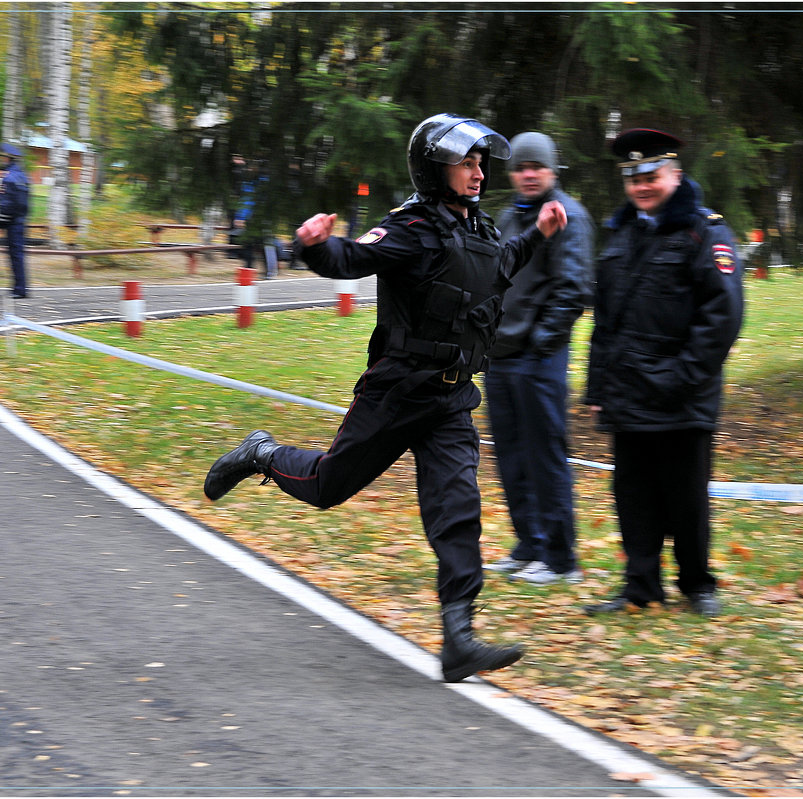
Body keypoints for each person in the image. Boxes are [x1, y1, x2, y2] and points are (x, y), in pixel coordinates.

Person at [202, 113, 568, 683]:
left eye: (479, 163)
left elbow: (504, 266)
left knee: (457, 511)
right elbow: (353, 258)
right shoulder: (412, 228)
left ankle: (458, 636)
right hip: (396, 395)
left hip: (450, 401)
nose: (476, 173)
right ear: (434, 169)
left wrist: (539, 234)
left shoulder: (484, 230)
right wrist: (315, 248)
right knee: (328, 486)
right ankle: (262, 454)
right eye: (464, 163)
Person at [581, 128, 744, 617]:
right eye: (633, 179)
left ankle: (697, 585)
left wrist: (681, 378)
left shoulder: (705, 232)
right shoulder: (622, 235)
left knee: (686, 497)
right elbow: (605, 321)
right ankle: (641, 587)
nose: (642, 187)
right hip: (628, 394)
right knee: (632, 496)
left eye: (651, 175)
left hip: (681, 396)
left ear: (674, 174)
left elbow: (723, 317)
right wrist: (597, 386)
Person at [482, 132, 593, 585]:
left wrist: (542, 341)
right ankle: (529, 545)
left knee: (545, 456)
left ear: (552, 170)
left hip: (538, 359)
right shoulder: (509, 217)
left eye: (538, 167)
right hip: (500, 358)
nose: (529, 175)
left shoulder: (571, 216)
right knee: (510, 455)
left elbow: (573, 288)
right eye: (521, 168)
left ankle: (561, 559)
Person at [0, 143, 30, 299]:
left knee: (14, 255)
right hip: (21, 220)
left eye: (2, 156)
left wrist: (1, 221)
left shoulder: (8, 177)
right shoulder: (23, 176)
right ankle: (20, 287)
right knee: (19, 255)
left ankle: (19, 289)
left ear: (6, 158)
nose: (1, 159)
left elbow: (6, 202)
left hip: (11, 222)